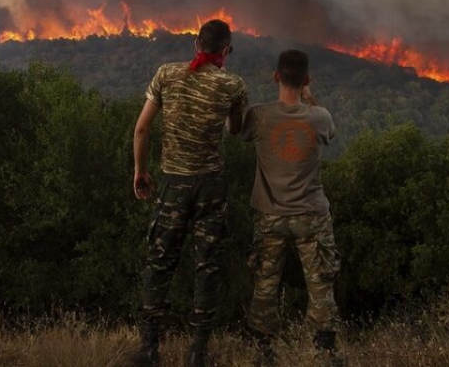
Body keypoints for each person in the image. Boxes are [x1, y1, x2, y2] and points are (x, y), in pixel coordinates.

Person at [130, 19, 248, 367]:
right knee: (207, 267)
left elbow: (141, 128)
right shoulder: (233, 85)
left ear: (196, 44)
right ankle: (198, 353)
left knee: (159, 263)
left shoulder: (166, 74)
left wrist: (140, 171)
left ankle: (150, 349)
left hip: (173, 184)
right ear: (225, 50)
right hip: (210, 186)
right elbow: (235, 130)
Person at [241, 49, 345, 367]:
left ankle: (263, 350)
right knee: (320, 282)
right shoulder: (319, 117)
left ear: (276, 76)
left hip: (270, 215)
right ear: (306, 80)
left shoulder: (258, 116)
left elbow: (239, 131)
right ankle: (325, 352)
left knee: (265, 281)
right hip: (311, 215)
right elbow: (329, 132)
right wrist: (310, 99)